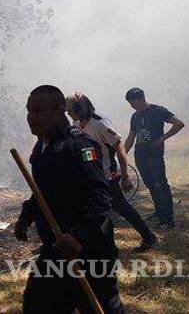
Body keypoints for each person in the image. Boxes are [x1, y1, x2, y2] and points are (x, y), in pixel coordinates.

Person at [14, 85, 124, 314]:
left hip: (88, 247)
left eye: (39, 110)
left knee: (100, 306)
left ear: (59, 110)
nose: (31, 117)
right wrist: (26, 217)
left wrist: (77, 236)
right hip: (56, 246)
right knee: (37, 306)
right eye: (29, 110)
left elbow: (99, 195)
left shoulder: (80, 146)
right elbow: (43, 191)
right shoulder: (42, 146)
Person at [66, 92, 158, 252]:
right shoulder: (77, 124)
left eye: (70, 110)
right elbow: (88, 149)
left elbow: (119, 147)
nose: (68, 114)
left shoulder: (99, 124)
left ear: (79, 109)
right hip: (94, 175)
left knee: (120, 207)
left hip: (108, 175)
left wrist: (125, 176)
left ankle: (148, 237)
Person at [124, 88, 184, 230]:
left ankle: (167, 219)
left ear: (141, 98)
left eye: (133, 102)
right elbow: (131, 138)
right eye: (130, 103)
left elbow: (179, 124)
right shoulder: (135, 116)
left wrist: (161, 139)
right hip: (140, 155)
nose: (132, 106)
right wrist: (121, 155)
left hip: (154, 154)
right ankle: (159, 212)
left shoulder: (158, 111)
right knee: (150, 184)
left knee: (161, 184)